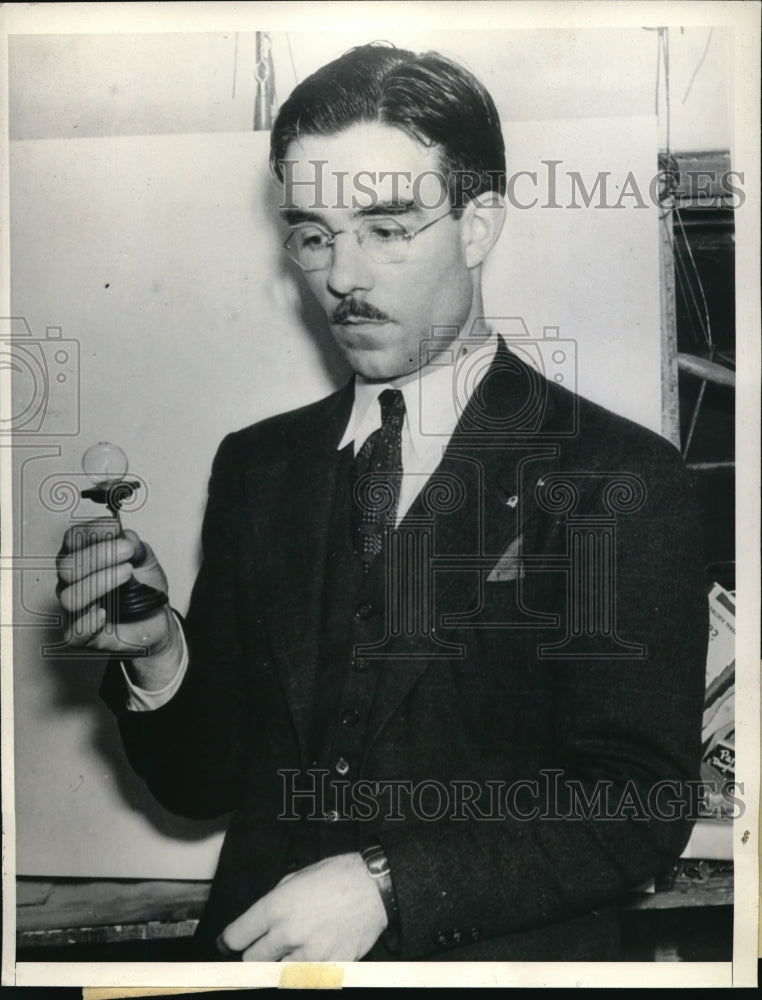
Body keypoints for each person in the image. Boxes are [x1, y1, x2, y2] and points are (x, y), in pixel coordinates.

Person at [56, 43, 708, 962]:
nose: (342, 278)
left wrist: (388, 882)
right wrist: (162, 656)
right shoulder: (259, 465)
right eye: (314, 233)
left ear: (479, 225)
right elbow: (201, 783)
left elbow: (635, 802)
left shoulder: (613, 475)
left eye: (386, 228)